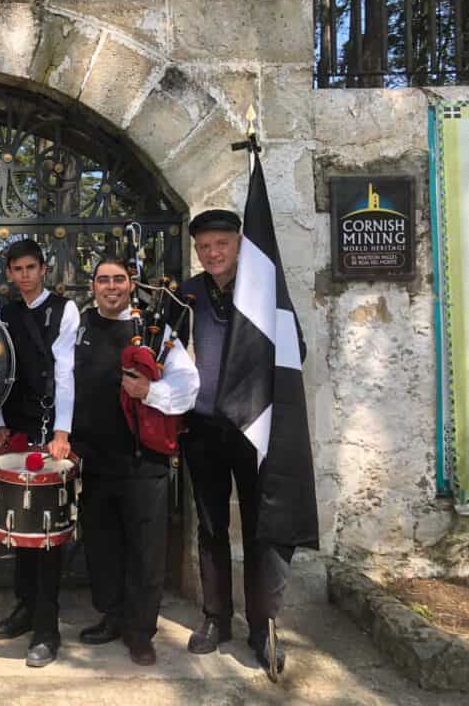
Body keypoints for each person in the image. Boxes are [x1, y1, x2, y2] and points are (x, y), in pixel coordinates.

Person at [179, 209, 304, 673]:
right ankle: (216, 618)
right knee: (211, 527)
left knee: (259, 528)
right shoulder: (186, 293)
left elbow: (296, 351)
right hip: (203, 428)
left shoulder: (264, 292)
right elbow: (165, 353)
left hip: (255, 429)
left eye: (221, 244)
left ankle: (262, 626)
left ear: (238, 244)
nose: (212, 253)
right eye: (204, 246)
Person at [71, 257, 199, 666]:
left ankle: (140, 632)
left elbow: (187, 385)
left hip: (144, 462)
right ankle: (112, 617)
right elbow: (60, 382)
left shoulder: (154, 331)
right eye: (103, 280)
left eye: (119, 280)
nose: (111, 287)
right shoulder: (79, 329)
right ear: (92, 286)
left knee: (146, 549)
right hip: (94, 457)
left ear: (130, 285)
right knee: (103, 545)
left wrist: (149, 392)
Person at [0, 239, 79, 668]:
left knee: (46, 535)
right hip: (17, 429)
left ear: (43, 269)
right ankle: (24, 611)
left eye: (30, 268)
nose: (24, 275)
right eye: (16, 269)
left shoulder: (65, 310)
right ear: (9, 273)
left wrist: (62, 430)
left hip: (50, 430)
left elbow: (65, 372)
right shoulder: (1, 314)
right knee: (19, 529)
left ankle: (47, 629)